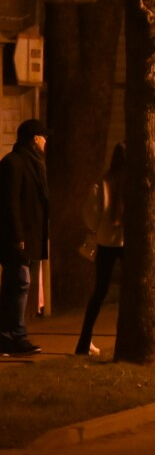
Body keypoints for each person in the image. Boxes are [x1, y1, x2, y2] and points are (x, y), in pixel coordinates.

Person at [0, 118, 48, 356]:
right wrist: (18, 235)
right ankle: (15, 335)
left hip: (29, 236)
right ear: (34, 139)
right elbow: (10, 203)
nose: (46, 142)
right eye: (43, 137)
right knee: (19, 283)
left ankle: (8, 335)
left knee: (17, 284)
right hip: (16, 238)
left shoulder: (34, 163)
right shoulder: (14, 164)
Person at [75, 143, 127, 356]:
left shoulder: (102, 184)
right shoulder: (133, 184)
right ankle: (126, 337)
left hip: (106, 243)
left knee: (99, 292)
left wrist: (98, 228)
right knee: (131, 291)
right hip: (127, 245)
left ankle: (84, 341)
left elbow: (90, 215)